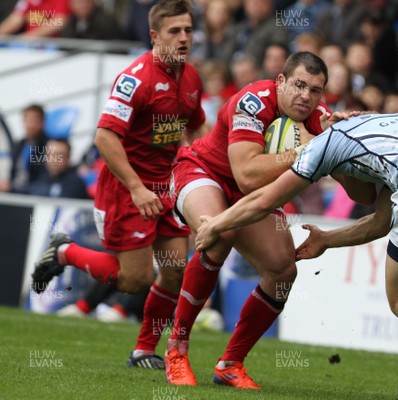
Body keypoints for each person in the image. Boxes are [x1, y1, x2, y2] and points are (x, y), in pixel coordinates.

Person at [195, 113, 398, 400]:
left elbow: (264, 200)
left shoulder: (322, 146)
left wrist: (216, 225)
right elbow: (381, 220)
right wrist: (327, 240)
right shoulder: (378, 127)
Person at [31, 0, 206, 370]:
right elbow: (104, 137)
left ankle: (144, 349)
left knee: (175, 269)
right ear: (154, 35)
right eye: (174, 31)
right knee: (134, 279)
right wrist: (137, 188)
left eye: (188, 30)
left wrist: (201, 167)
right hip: (127, 189)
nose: (184, 38)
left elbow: (195, 126)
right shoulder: (136, 78)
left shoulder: (191, 78)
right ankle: (65, 253)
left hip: (166, 187)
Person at [164, 52, 351, 389]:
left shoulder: (320, 120)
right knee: (222, 231)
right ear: (281, 81)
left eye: (316, 90)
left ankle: (231, 363)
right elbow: (247, 176)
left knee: (283, 269)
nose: (306, 96)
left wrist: (349, 140)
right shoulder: (253, 101)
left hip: (248, 195)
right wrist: (303, 152)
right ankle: (176, 349)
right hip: (202, 171)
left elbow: (357, 189)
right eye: (299, 85)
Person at [10, 104, 49, 194]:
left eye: (34, 121)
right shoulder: (19, 145)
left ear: (42, 123)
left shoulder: (49, 145)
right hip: (14, 190)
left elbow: (45, 177)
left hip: (34, 191)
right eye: (28, 120)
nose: (30, 125)